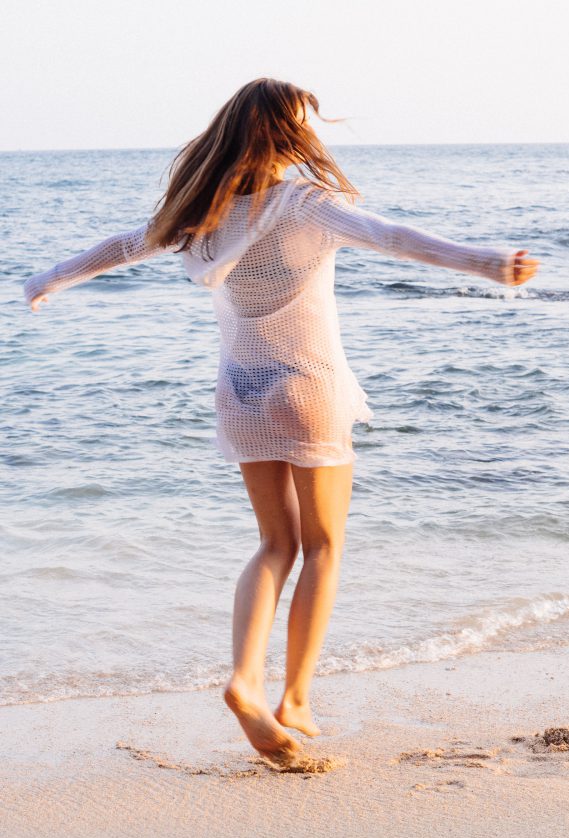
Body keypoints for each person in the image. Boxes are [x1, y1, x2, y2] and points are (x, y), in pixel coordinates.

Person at [23, 77, 540, 764]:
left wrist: (46, 281)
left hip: (239, 389)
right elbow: (393, 238)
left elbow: (120, 247)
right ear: (288, 134)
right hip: (307, 387)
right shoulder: (306, 203)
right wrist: (487, 263)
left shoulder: (201, 215)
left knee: (275, 545)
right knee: (323, 546)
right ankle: (293, 697)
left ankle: (243, 679)